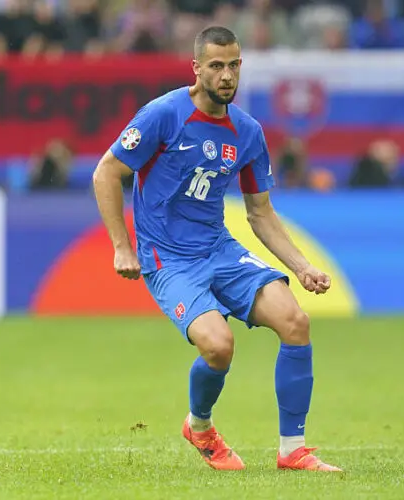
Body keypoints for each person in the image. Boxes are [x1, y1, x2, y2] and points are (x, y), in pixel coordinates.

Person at [92, 26, 341, 473]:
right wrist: (121, 248)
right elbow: (106, 172)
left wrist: (302, 267)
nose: (227, 75)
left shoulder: (247, 132)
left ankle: (293, 450)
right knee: (219, 346)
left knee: (295, 320)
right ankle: (200, 425)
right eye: (216, 66)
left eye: (234, 65)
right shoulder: (163, 114)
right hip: (168, 258)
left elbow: (260, 212)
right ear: (197, 68)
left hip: (219, 249)